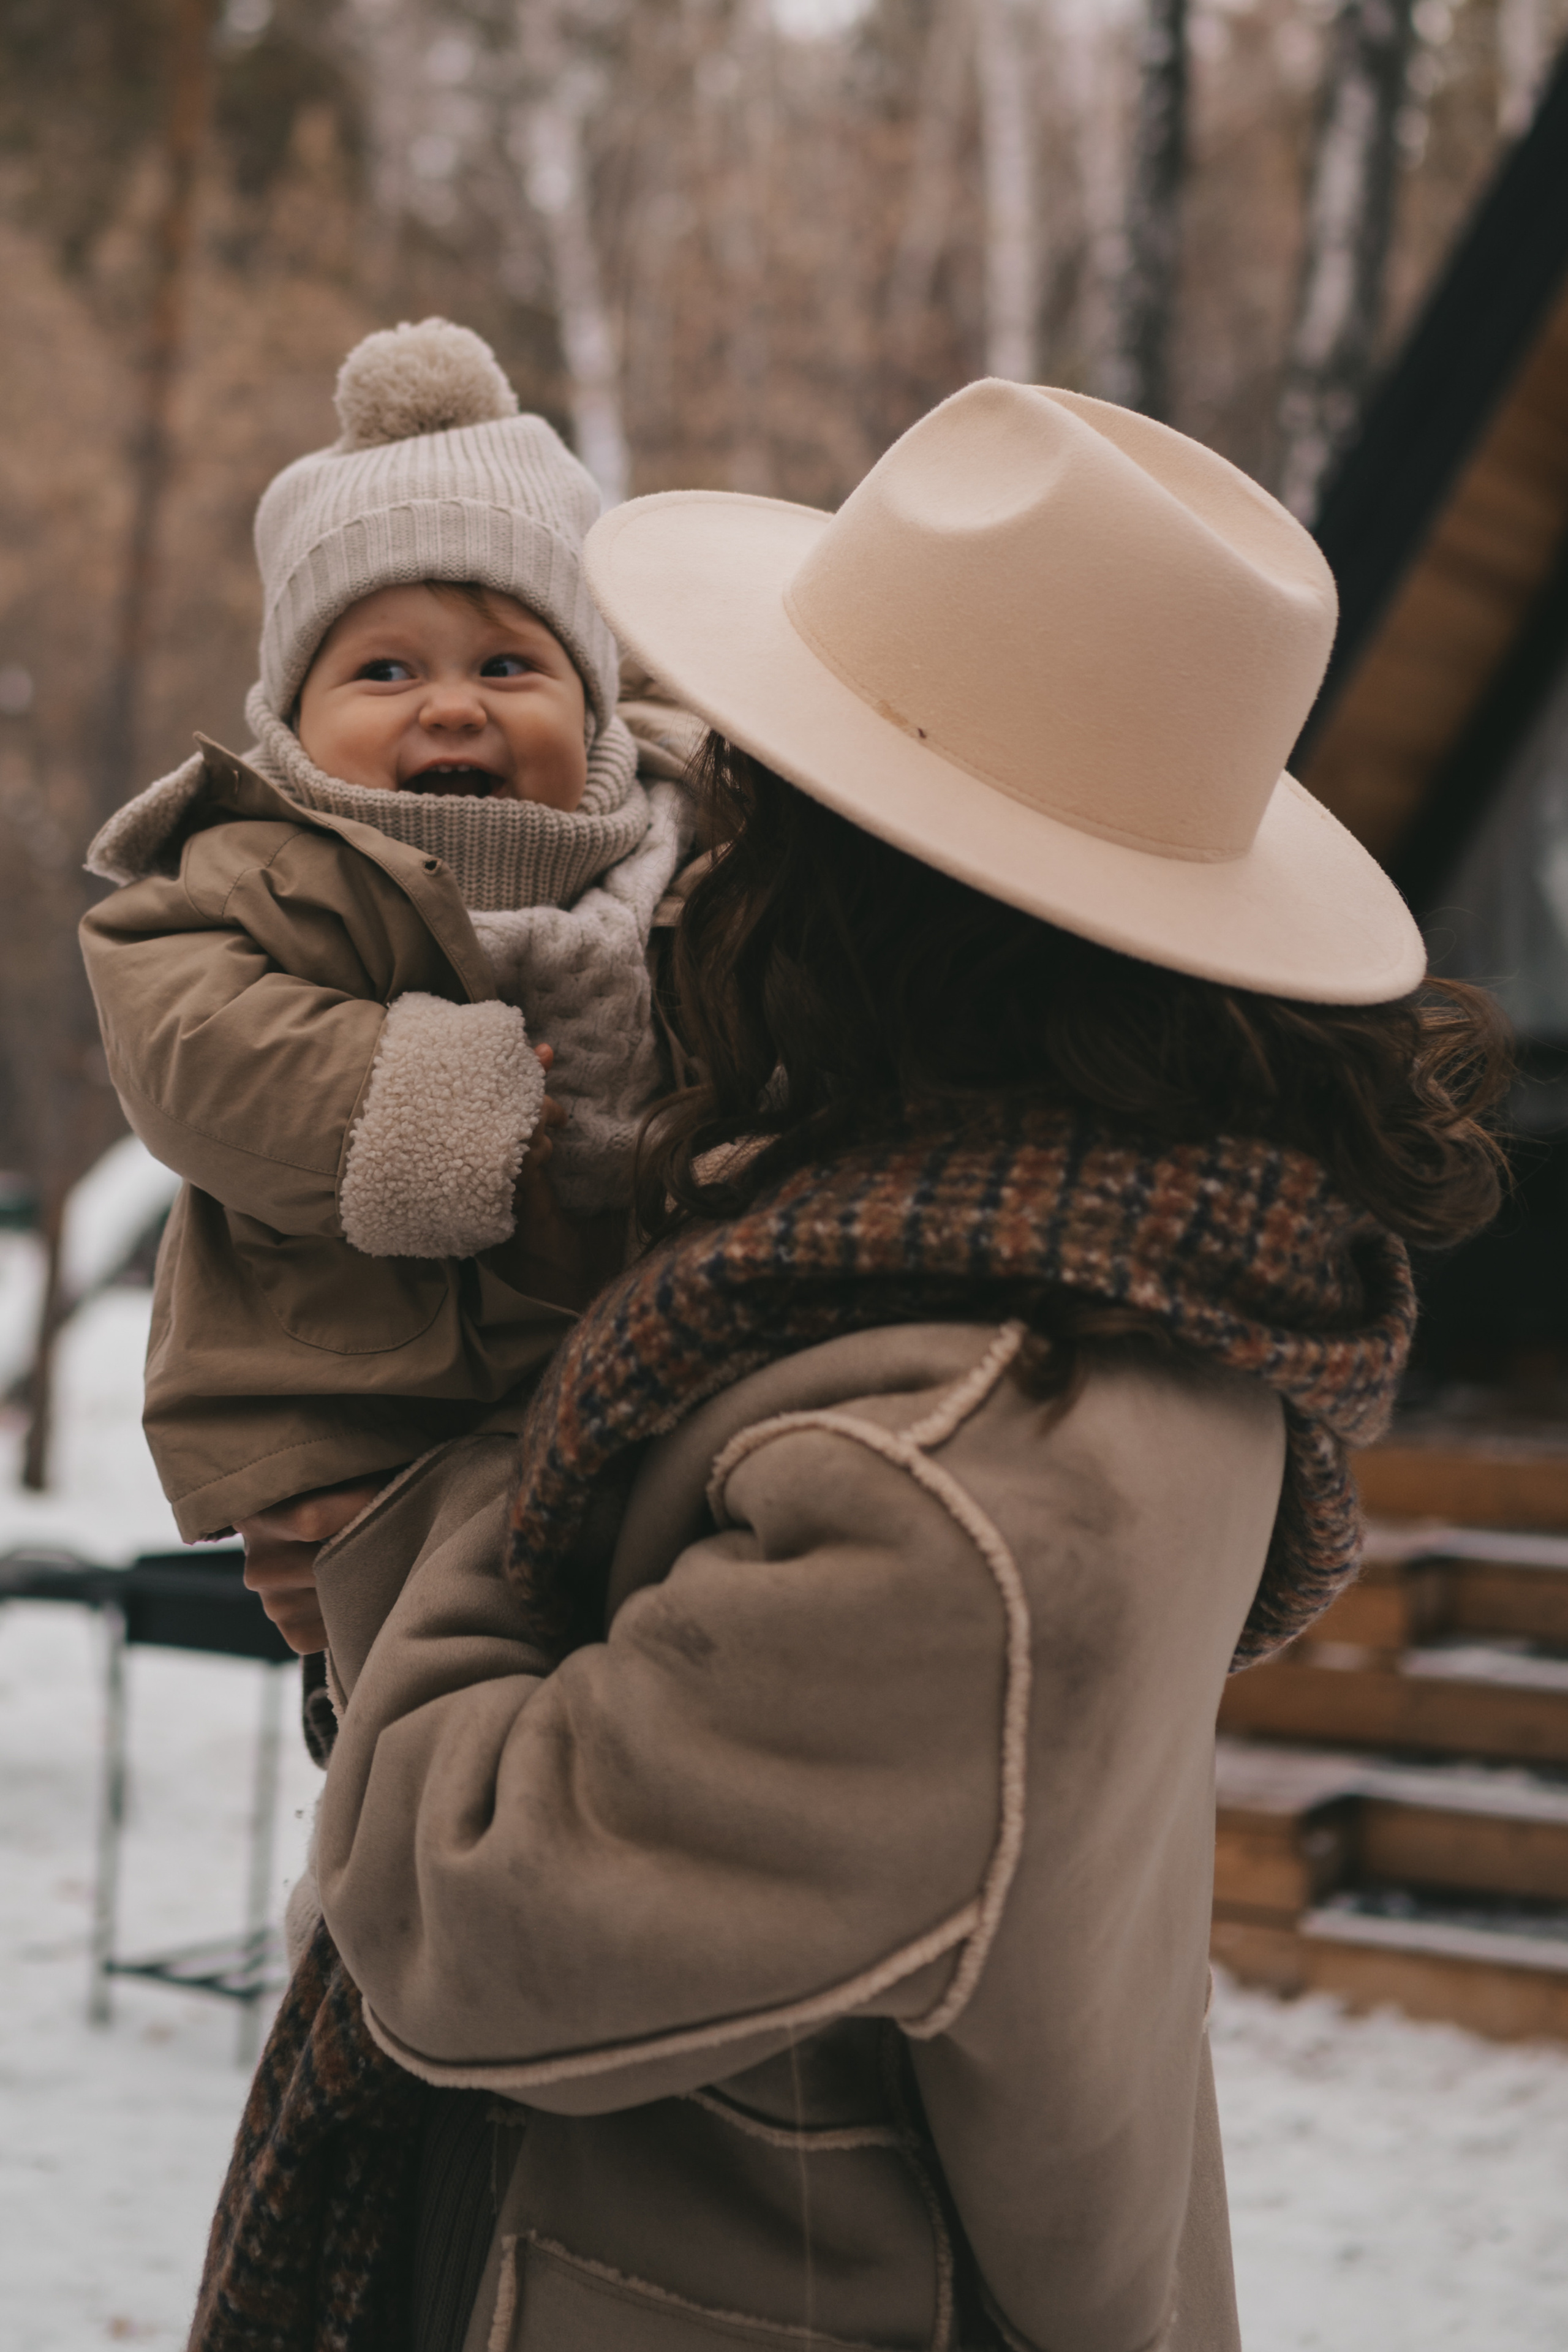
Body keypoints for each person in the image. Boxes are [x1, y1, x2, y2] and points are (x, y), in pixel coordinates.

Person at [191, 380, 1507, 2352]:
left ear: (864, 904)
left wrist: (411, 1516)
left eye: (750, 808)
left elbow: (466, 1911)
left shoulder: (959, 1469)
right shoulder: (1031, 1255)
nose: (698, 859)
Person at [78, 319, 698, 1611]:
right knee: (421, 1721)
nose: (454, 704)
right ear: (289, 716)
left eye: (510, 664)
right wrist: (430, 1100)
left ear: (592, 698)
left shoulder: (673, 860)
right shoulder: (253, 869)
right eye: (385, 670)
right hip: (360, 1407)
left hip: (632, 1395)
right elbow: (191, 1047)